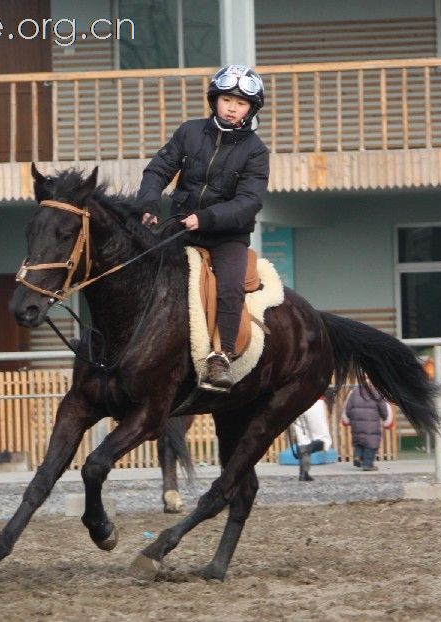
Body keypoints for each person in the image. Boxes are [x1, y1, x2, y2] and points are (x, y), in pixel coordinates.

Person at [135, 64, 270, 389]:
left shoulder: (256, 152)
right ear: (215, 100)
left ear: (250, 110)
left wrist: (207, 218)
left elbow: (248, 202)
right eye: (226, 99)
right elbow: (157, 170)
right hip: (182, 228)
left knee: (230, 288)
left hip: (227, 237)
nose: (232, 106)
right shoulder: (189, 132)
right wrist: (149, 203)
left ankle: (221, 356)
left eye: (240, 103)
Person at [341, 383, 393, 471]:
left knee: (359, 441)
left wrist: (347, 419)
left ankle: (357, 456)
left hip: (356, 423)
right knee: (371, 444)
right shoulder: (377, 393)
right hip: (371, 424)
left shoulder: (354, 392)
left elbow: (347, 408)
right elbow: (383, 408)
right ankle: (368, 465)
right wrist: (386, 419)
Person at [292, 396, 333, 481]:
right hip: (314, 401)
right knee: (324, 440)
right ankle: (306, 453)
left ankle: (303, 473)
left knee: (303, 441)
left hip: (296, 403)